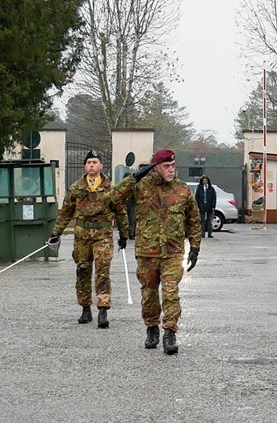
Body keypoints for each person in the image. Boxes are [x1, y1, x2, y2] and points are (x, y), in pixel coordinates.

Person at [110, 149, 202, 355]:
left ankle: (169, 332)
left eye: (173, 166)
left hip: (172, 251)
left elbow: (194, 220)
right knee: (149, 294)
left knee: (171, 293)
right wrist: (133, 177)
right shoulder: (141, 187)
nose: (171, 170)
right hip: (147, 252)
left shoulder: (182, 190)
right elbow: (113, 197)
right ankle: (151, 328)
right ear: (156, 168)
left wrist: (195, 247)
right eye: (166, 166)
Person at [49, 150, 129, 328]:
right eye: (89, 162)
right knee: (83, 271)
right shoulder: (76, 187)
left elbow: (120, 212)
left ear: (101, 166)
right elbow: (66, 212)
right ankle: (86, 308)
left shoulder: (110, 188)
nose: (92, 165)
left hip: (103, 235)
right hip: (82, 237)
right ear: (85, 166)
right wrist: (56, 233)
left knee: (102, 272)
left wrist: (124, 234)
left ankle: (103, 310)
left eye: (95, 162)